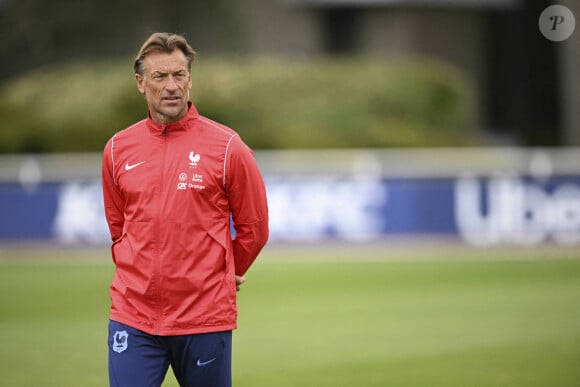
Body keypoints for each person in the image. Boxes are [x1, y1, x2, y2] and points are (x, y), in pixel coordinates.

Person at [101, 32, 269, 387]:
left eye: (179, 75)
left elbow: (254, 227)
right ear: (140, 83)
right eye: (160, 77)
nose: (171, 86)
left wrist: (226, 270)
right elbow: (119, 229)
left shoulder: (228, 147)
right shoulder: (117, 149)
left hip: (204, 317)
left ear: (190, 79)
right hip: (134, 316)